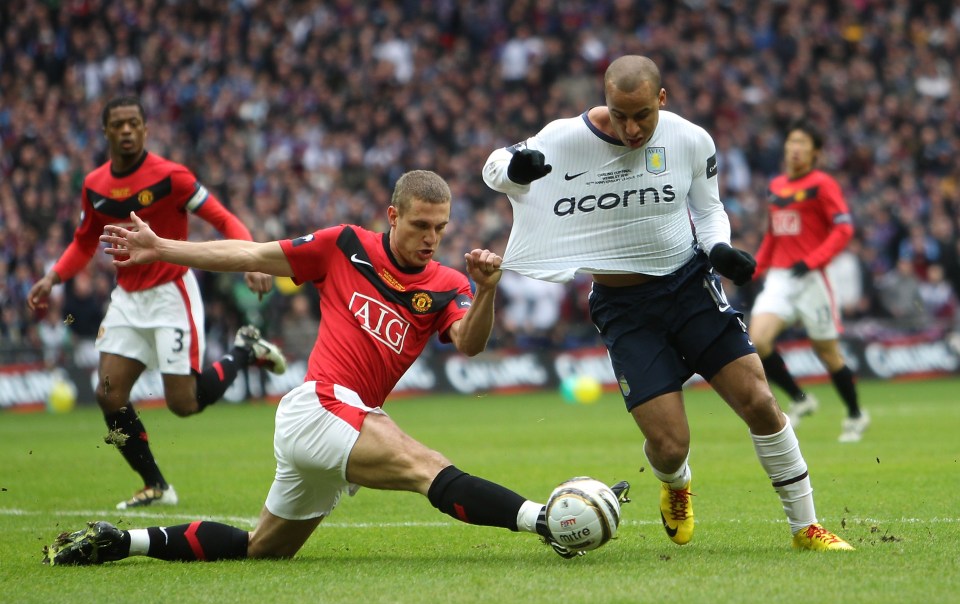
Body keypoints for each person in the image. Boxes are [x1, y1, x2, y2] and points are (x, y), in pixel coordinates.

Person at [43, 170, 629, 565]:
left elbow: (469, 344)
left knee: (261, 550)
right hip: (321, 403)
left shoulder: (447, 284)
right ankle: (543, 521)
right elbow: (252, 254)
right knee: (427, 466)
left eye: (441, 229)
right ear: (392, 214)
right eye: (420, 225)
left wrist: (484, 293)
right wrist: (165, 249)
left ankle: (125, 542)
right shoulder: (343, 245)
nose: (432, 238)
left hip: (341, 419)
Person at [482, 55, 851, 551]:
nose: (631, 128)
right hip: (623, 307)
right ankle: (676, 486)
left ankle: (806, 528)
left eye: (642, 116)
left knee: (760, 403)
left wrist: (719, 249)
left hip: (689, 286)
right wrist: (516, 169)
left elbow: (709, 207)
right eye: (619, 114)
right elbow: (494, 167)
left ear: (662, 99)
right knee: (671, 444)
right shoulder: (567, 136)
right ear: (604, 100)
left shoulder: (690, 138)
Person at [27, 96, 287, 510]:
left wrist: (252, 258)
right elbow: (84, 241)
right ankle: (155, 485)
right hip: (128, 299)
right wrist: (53, 277)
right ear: (106, 132)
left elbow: (222, 217)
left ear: (146, 129)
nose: (127, 131)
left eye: (134, 123)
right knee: (109, 395)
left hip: (172, 294)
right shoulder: (94, 185)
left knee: (182, 404)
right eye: (119, 125)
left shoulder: (172, 177)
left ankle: (244, 349)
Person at [749, 120, 869, 443]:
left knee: (827, 354)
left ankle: (856, 415)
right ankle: (801, 399)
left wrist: (813, 261)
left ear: (815, 152)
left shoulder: (823, 184)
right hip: (780, 278)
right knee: (757, 341)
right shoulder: (775, 186)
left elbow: (843, 229)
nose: (795, 148)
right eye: (791, 142)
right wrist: (754, 270)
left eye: (802, 143)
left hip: (813, 277)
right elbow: (773, 235)